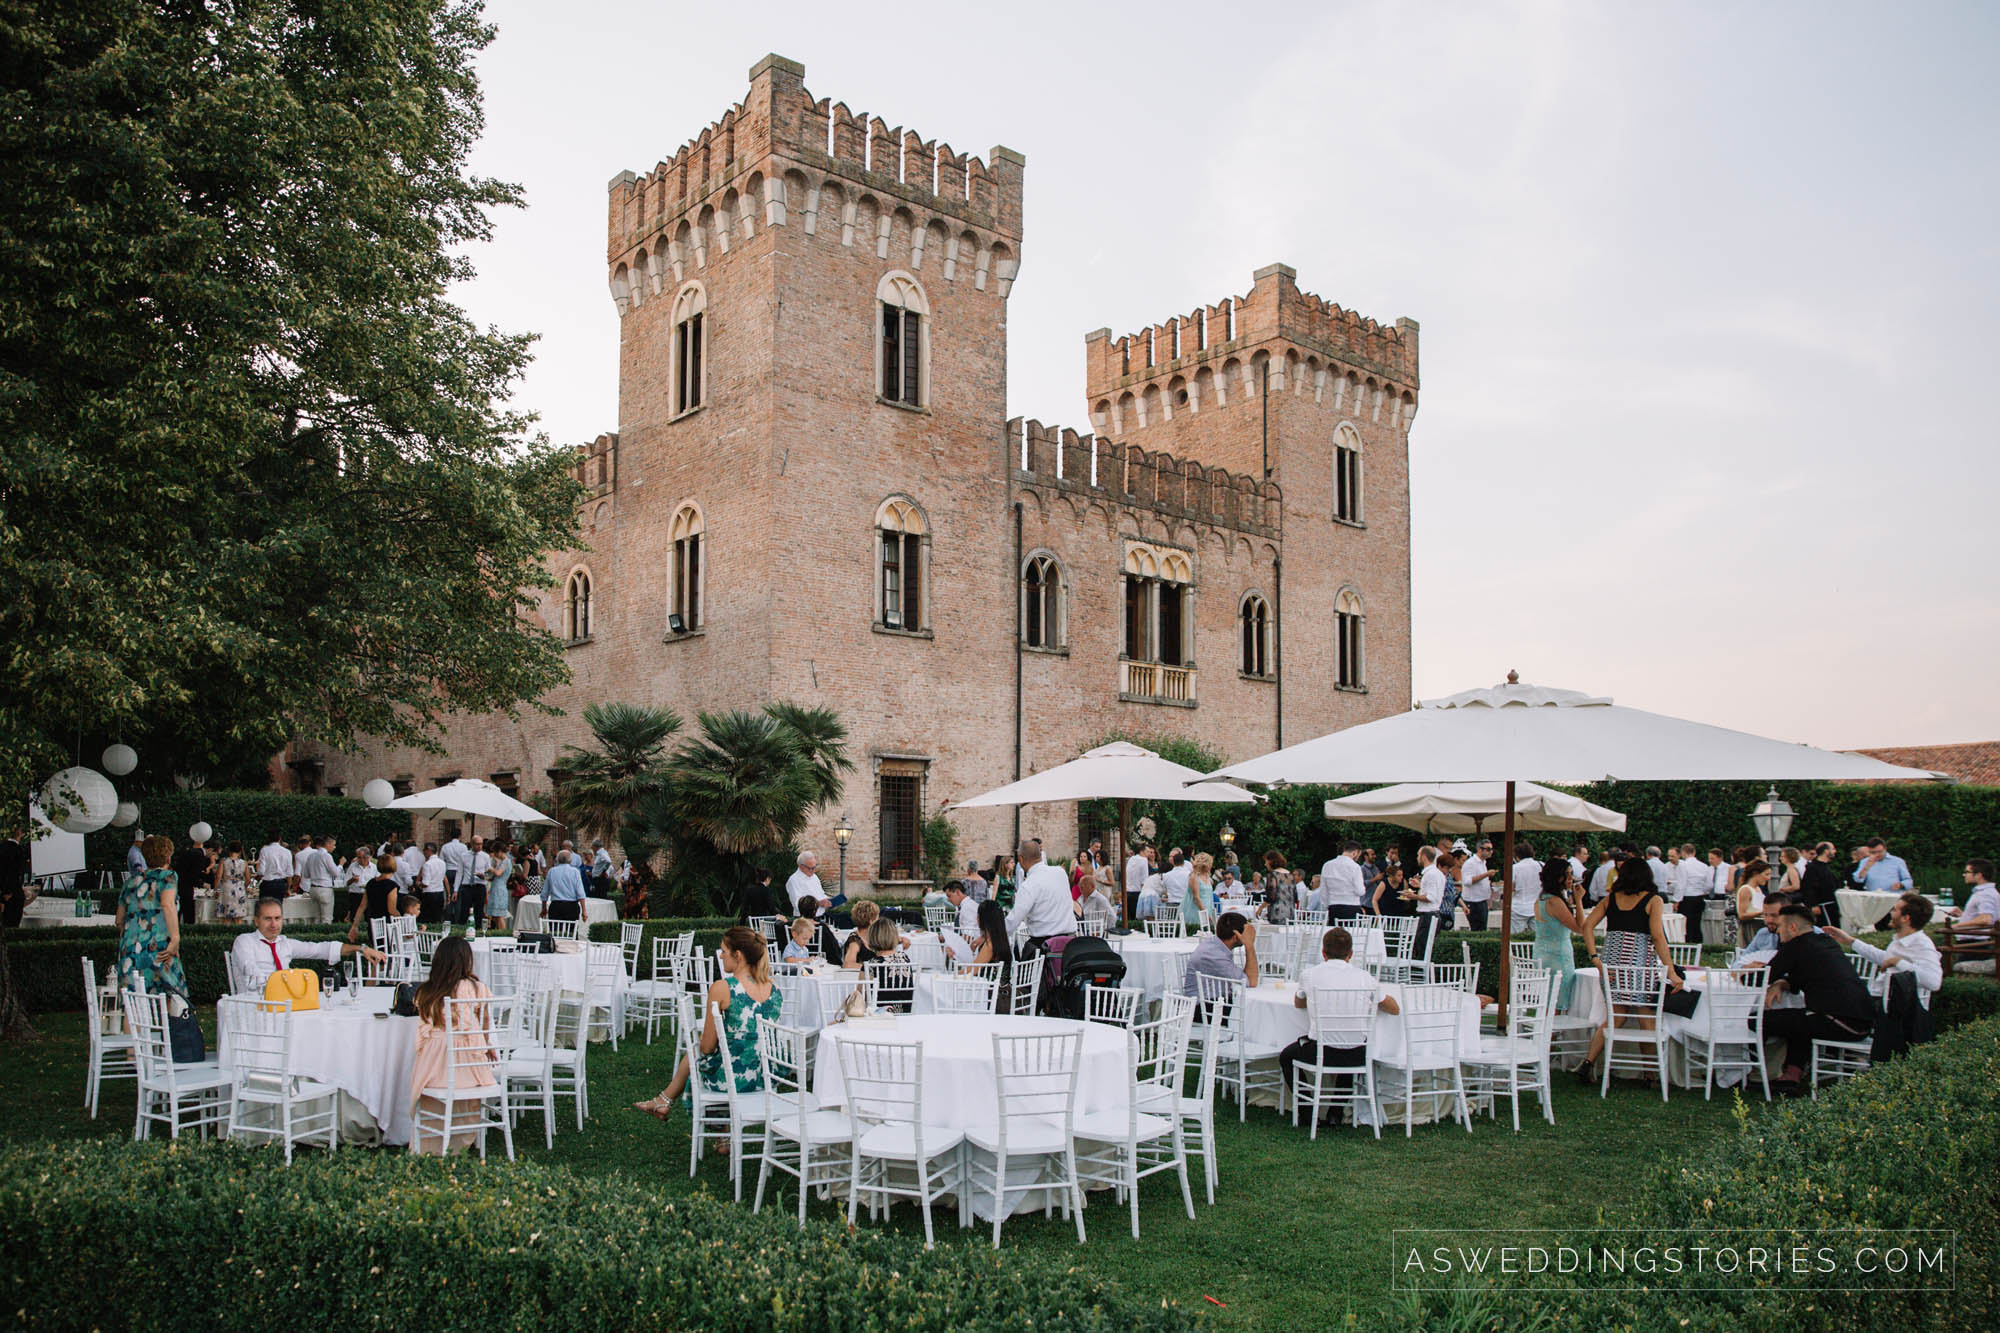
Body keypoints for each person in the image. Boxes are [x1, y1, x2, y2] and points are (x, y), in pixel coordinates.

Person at [636, 926, 781, 1124]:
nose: (721, 956)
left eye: (723, 951)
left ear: (737, 955)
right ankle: (667, 1102)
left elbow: (707, 1047)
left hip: (732, 1079)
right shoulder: (774, 989)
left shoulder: (723, 988)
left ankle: (665, 1100)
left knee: (697, 1050)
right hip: (766, 1078)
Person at [1279, 927, 1400, 1125]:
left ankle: (1307, 1112)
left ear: (1323, 953)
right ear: (1351, 954)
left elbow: (1298, 1004)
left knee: (1286, 1056)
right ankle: (1336, 1112)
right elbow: (1394, 1009)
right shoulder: (1364, 977)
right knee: (1350, 1045)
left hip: (1322, 1051)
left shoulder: (1310, 974)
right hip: (1357, 1054)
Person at [1577, 858, 1681, 1084]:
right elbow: (1657, 935)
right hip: (1638, 964)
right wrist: (1670, 969)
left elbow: (1587, 926)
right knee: (1646, 1019)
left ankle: (1588, 1062)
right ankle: (1650, 1073)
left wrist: (1595, 957)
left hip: (1612, 964)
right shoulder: (1653, 900)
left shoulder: (1610, 899)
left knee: (1615, 1017)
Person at [1763, 904, 1874, 1095]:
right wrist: (1782, 983)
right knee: (1799, 1020)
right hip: (1863, 1022)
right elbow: (1802, 978)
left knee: (1758, 1020)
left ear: (1793, 928)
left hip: (1838, 1022)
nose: (1778, 931)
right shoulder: (1825, 941)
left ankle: (1757, 1073)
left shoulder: (1795, 946)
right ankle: (1792, 1074)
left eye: (1780, 926)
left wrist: (1744, 972)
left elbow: (1759, 978)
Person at [408, 936, 498, 1155]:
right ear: (466, 961)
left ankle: (429, 1144)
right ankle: (460, 1141)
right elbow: (485, 1023)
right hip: (469, 1065)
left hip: (436, 1066)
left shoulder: (427, 991)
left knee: (428, 1088)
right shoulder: (478, 988)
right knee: (468, 1088)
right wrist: (488, 1048)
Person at [236, 895, 384, 993]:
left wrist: (361, 948)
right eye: (268, 919)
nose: (274, 924)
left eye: (277, 918)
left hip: (287, 1003)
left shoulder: (286, 944)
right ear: (256, 921)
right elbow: (252, 973)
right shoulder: (244, 941)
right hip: (255, 1006)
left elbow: (321, 949)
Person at [1825, 893, 1941, 1007]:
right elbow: (1885, 958)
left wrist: (1897, 962)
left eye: (1894, 910)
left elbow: (1933, 982)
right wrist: (1851, 941)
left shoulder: (1922, 945)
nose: (1890, 913)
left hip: (1892, 1008)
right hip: (1878, 999)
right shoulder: (1902, 939)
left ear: (1906, 918)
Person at [116, 834, 188, 1000]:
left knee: (133, 1005)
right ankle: (170, 1027)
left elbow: (119, 920)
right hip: (160, 947)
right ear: (168, 857)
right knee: (172, 997)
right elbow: (167, 904)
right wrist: (175, 938)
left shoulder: (130, 882)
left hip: (131, 949)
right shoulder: (168, 877)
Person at [1531, 858, 1588, 1008]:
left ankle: (1547, 1031)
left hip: (1542, 954)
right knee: (1557, 1003)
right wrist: (1579, 900)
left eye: (1571, 874)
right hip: (1558, 957)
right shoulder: (1554, 901)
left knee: (1548, 1003)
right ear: (1557, 877)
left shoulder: (1541, 899)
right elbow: (1581, 928)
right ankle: (1553, 1032)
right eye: (1567, 875)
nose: (1571, 879)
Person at [1006, 839, 1077, 951]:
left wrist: (992, 937)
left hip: (1044, 946)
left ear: (1021, 859)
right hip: (1070, 944)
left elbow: (1014, 920)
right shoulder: (1060, 873)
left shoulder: (1029, 885)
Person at [1180, 910, 1259, 999]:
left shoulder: (1214, 944)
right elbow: (1251, 981)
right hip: (1205, 1007)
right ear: (1236, 937)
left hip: (1214, 1000)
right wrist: (1249, 945)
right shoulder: (1215, 956)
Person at [1939, 859, 1998, 974]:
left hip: (1974, 944)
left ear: (1979, 875)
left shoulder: (1985, 894)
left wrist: (1957, 926)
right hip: (1975, 942)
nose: (1964, 875)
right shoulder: (1986, 892)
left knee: (1954, 973)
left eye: (1967, 872)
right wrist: (1963, 915)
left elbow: (1986, 919)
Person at [1413, 847, 1449, 957]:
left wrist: (1413, 896)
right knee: (1424, 948)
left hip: (1427, 915)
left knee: (1422, 949)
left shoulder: (1431, 874)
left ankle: (1421, 973)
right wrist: (1420, 886)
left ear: (1424, 857)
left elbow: (1431, 897)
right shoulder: (1437, 873)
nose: (1417, 858)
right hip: (1433, 914)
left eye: (1419, 855)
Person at [1318, 843, 1367, 924]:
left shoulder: (1327, 865)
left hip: (1333, 907)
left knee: (1335, 934)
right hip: (1351, 906)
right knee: (1351, 934)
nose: (1358, 858)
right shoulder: (1355, 867)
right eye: (1359, 855)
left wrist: (1326, 907)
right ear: (1355, 853)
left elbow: (1323, 890)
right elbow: (1360, 891)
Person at [293, 833, 336, 925]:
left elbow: (306, 874)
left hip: (313, 888)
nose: (334, 847)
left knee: (316, 917)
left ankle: (315, 934)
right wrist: (340, 866)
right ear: (327, 844)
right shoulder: (327, 856)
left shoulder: (311, 856)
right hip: (325, 888)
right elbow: (335, 872)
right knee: (326, 918)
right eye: (333, 845)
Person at [1799, 842, 1843, 928]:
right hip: (1822, 907)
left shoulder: (1825, 867)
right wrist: (1813, 905)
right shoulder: (1813, 868)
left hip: (1830, 906)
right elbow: (1807, 887)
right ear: (1826, 851)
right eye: (1833, 849)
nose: (1835, 851)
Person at [1735, 891, 1790, 961]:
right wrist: (1746, 967)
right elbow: (1739, 963)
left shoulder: (1798, 938)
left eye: (1774, 915)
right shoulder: (1763, 934)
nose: (1769, 920)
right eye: (1765, 915)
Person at [1850, 837, 1915, 897]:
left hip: (1893, 897)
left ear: (1885, 849)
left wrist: (1901, 884)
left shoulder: (1898, 861)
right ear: (1869, 851)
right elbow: (1857, 879)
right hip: (1872, 897)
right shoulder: (1865, 862)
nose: (1877, 854)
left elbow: (1909, 881)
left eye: (1880, 851)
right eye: (1873, 852)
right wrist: (1866, 868)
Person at [1671, 842, 1709, 939]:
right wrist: (1702, 892)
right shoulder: (1704, 866)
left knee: (1686, 926)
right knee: (1696, 924)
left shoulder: (1683, 865)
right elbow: (1709, 885)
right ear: (1694, 852)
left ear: (1683, 853)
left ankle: (1689, 945)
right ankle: (1698, 945)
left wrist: (1676, 900)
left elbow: (1681, 884)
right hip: (1699, 898)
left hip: (1687, 898)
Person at [168, 838, 210, 927]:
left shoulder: (188, 852)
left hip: (179, 884)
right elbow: (193, 875)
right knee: (188, 913)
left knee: (179, 911)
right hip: (186, 887)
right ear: (211, 850)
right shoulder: (199, 856)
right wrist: (202, 884)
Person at [541, 849, 587, 923]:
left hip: (556, 906)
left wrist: (544, 908)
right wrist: (584, 910)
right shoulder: (575, 872)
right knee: (572, 932)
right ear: (570, 860)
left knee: (555, 932)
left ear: (557, 860)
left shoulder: (552, 871)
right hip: (572, 906)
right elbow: (580, 892)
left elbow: (545, 892)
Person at [1734, 858, 1772, 945]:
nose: (1769, 878)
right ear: (1755, 874)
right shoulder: (1746, 889)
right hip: (1749, 928)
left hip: (1758, 926)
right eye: (1766, 874)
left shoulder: (1757, 889)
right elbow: (1742, 915)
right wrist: (1762, 912)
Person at [1459, 839, 1494, 931]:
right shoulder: (1470, 863)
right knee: (1477, 929)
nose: (1491, 852)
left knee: (1482, 928)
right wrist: (1486, 874)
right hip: (1473, 902)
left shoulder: (1483, 863)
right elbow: (1467, 881)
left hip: (1482, 901)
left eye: (1491, 849)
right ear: (1479, 849)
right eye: (1488, 849)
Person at [971, 899, 1014, 970]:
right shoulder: (999, 938)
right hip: (996, 980)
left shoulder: (990, 944)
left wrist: (950, 975)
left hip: (990, 981)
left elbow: (973, 971)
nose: (977, 918)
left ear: (984, 919)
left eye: (978, 915)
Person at [1509, 841, 1542, 933]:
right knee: (1538, 937)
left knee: (1515, 938)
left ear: (1517, 856)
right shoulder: (1541, 865)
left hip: (1518, 907)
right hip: (1537, 907)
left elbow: (1510, 888)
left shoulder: (1515, 868)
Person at [0, 826, 29, 930]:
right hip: (12, 894)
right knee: (11, 926)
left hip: (7, 892)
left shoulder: (3, 847)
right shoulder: (15, 850)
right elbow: (12, 872)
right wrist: (7, 892)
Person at [255, 830, 293, 902]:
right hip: (280, 884)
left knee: (265, 908)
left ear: (268, 839)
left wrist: (257, 879)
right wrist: (288, 888)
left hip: (267, 883)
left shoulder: (264, 850)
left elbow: (261, 871)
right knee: (277, 908)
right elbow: (289, 873)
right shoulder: (287, 852)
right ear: (280, 838)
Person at [486, 842, 516, 932]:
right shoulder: (501, 862)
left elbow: (498, 873)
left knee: (499, 915)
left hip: (500, 888)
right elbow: (493, 876)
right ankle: (498, 931)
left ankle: (503, 933)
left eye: (495, 852)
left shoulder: (506, 861)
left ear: (499, 851)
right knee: (494, 915)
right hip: (495, 887)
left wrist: (490, 867)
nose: (495, 855)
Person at [1179, 851, 1213, 930]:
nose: (1211, 866)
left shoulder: (1207, 877)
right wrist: (1205, 913)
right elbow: (1196, 897)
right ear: (1205, 864)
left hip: (1207, 907)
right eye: (1210, 863)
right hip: (1196, 910)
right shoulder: (1194, 877)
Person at [1159, 849, 1190, 917]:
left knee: (1172, 924)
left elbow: (1164, 890)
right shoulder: (1189, 874)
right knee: (1184, 924)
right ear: (1183, 862)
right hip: (1184, 903)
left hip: (1171, 904)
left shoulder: (1166, 875)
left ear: (1173, 862)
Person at [1124, 844, 1151, 915]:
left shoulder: (1131, 859)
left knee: (1129, 915)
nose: (1149, 854)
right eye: (1147, 852)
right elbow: (1144, 879)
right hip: (1137, 892)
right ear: (1142, 852)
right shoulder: (1144, 860)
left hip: (1128, 891)